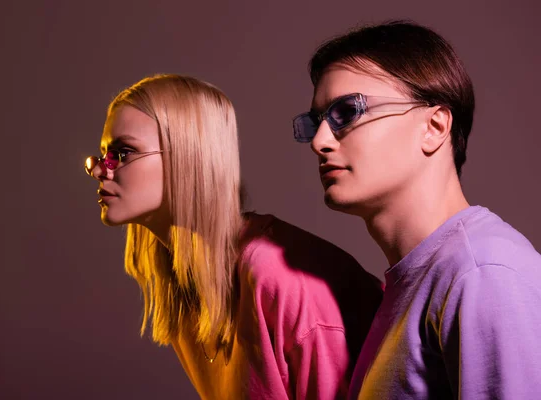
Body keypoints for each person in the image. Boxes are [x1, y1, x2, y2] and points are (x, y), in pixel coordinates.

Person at [84, 74, 382, 399]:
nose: (101, 169)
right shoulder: (181, 282)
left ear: (189, 154)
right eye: (102, 156)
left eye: (123, 152)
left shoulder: (276, 274)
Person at [293, 20, 541, 399]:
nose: (320, 142)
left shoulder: (482, 272)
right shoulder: (418, 282)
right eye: (316, 123)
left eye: (346, 112)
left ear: (435, 126)